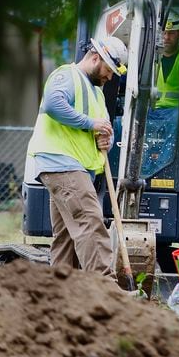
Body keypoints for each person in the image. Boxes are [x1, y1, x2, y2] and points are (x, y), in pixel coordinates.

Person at [27, 36, 128, 279]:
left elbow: (102, 129)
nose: (109, 77)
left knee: (66, 238)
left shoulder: (97, 93)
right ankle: (106, 291)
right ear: (96, 58)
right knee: (90, 226)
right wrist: (90, 124)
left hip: (70, 168)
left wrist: (105, 138)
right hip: (63, 165)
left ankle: (63, 297)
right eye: (108, 70)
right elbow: (53, 104)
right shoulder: (67, 75)